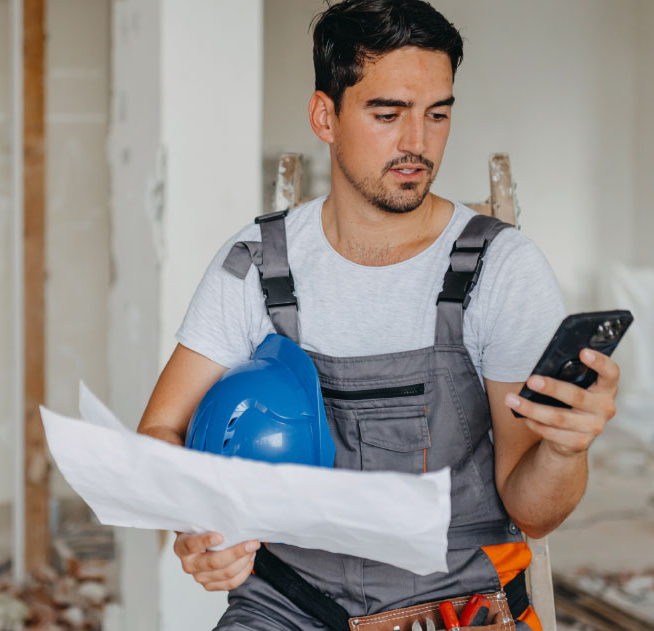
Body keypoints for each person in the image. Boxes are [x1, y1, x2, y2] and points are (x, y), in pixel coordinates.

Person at [135, 1, 622, 630]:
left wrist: (563, 449)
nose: (416, 143)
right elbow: (158, 434)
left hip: (458, 606)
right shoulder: (255, 265)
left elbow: (532, 513)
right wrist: (196, 526)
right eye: (387, 114)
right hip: (290, 605)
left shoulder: (503, 269)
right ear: (324, 116)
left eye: (437, 114)